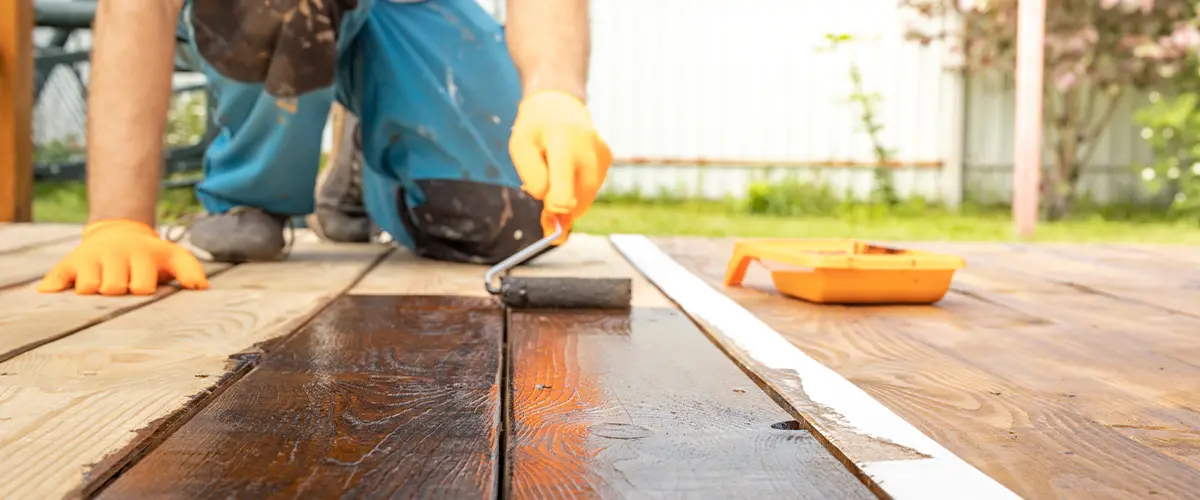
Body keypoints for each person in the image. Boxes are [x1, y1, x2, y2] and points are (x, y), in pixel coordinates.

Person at [36, 0, 612, 296]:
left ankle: (365, 166)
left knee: (503, 219)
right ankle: (251, 193)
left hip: (406, 11)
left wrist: (555, 93)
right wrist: (119, 222)